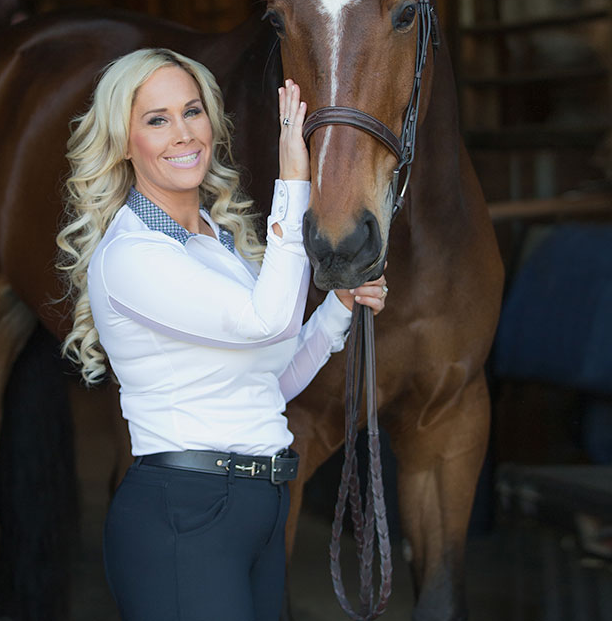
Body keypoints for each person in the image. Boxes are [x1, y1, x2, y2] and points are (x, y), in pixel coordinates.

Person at [57, 48, 388, 621]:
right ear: (123, 140)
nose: (183, 134)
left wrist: (339, 306)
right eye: (156, 119)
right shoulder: (133, 254)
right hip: (185, 513)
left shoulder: (216, 241)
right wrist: (294, 180)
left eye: (192, 111)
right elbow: (270, 320)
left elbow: (270, 384)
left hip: (255, 507)